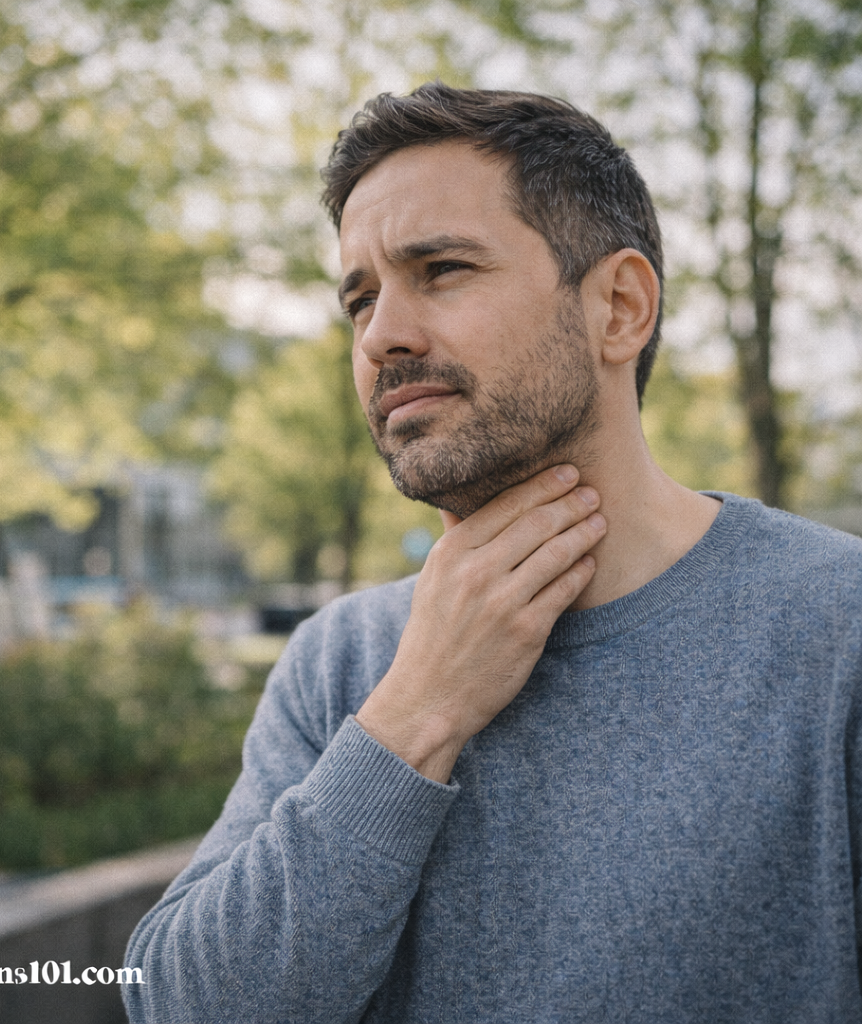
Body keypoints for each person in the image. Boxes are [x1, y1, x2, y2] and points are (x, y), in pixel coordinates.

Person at [124, 84, 862, 1023]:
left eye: (441, 269)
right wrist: (417, 712)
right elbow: (181, 1007)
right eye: (360, 299)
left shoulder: (838, 631)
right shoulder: (339, 661)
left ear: (619, 308)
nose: (381, 336)